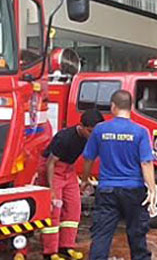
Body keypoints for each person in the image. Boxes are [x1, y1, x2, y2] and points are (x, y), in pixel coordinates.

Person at [81, 90, 156, 260]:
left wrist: (85, 180)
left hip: (107, 190)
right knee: (137, 235)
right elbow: (146, 162)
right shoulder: (140, 131)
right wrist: (152, 189)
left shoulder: (100, 130)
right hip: (134, 190)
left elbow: (88, 158)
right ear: (131, 107)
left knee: (101, 234)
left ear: (113, 107)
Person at [36, 109, 105, 260]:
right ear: (81, 126)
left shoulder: (92, 138)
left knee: (74, 207)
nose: (93, 135)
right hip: (53, 169)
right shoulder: (65, 138)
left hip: (69, 169)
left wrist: (85, 180)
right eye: (90, 131)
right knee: (55, 209)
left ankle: (66, 247)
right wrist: (51, 189)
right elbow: (50, 163)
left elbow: (90, 158)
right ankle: (50, 252)